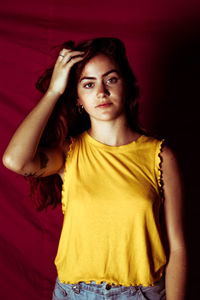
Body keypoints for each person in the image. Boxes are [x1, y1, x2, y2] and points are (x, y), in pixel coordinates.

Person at [2, 37, 187, 300]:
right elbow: (14, 161)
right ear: (78, 99)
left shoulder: (161, 156)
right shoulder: (68, 153)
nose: (101, 91)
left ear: (127, 87)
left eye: (111, 79)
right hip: (74, 293)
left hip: (140, 295)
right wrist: (54, 90)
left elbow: (177, 247)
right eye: (88, 84)